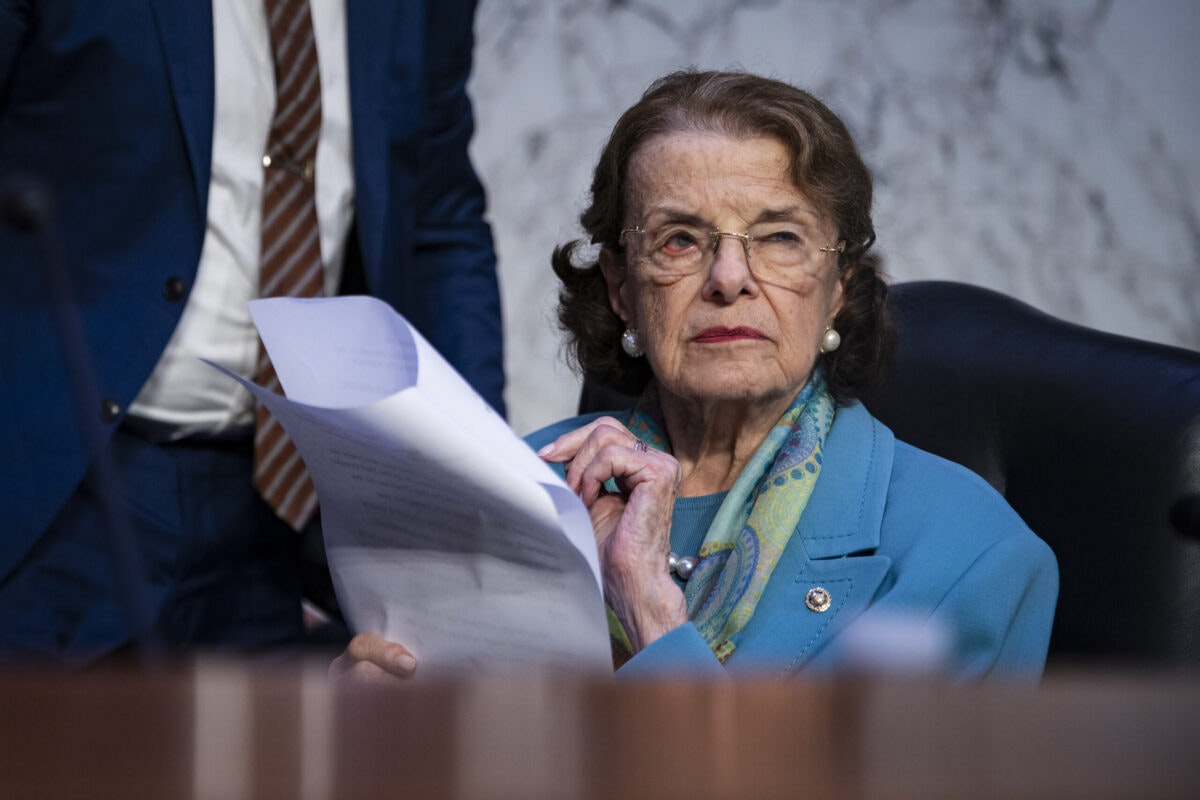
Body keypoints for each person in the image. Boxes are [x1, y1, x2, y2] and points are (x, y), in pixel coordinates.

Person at [332, 69, 1058, 682]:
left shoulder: (973, 559)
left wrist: (649, 608)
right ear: (621, 289)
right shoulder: (506, 487)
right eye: (680, 239)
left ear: (839, 285)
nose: (729, 278)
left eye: (779, 237)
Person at [0, 0, 504, 662]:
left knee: (261, 765)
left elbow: (437, 220)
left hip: (279, 504)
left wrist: (488, 479)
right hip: (59, 478)